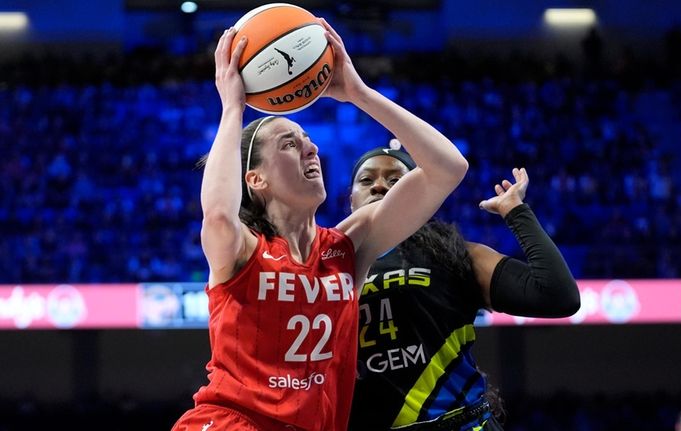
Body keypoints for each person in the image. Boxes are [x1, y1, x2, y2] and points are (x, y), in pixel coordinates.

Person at [171, 19, 468, 431]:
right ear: (254, 180)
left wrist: (359, 95)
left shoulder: (348, 246)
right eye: (289, 144)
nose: (310, 147)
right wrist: (233, 108)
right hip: (232, 422)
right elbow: (219, 214)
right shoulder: (239, 248)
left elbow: (448, 169)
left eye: (307, 139)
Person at [346, 143, 581, 430]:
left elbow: (557, 295)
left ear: (418, 197)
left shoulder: (452, 253)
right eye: (366, 180)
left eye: (396, 180)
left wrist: (515, 211)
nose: (380, 186)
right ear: (351, 200)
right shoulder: (326, 264)